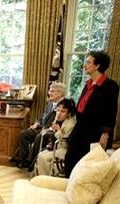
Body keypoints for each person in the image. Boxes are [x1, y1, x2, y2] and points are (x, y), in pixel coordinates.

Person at [64, 50, 119, 178]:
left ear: (97, 66)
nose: (85, 65)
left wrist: (105, 134)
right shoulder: (88, 84)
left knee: (87, 167)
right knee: (70, 159)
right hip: (80, 130)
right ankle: (68, 188)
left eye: (88, 62)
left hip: (95, 133)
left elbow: (111, 112)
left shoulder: (110, 86)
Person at [17, 82, 66, 169]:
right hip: (41, 127)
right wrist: (37, 123)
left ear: (59, 93)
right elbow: (42, 116)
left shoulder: (63, 106)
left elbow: (60, 123)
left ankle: (31, 162)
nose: (49, 93)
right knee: (23, 134)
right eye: (50, 91)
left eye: (52, 91)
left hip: (51, 132)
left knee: (39, 137)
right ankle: (22, 160)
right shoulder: (50, 103)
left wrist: (48, 129)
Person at [34, 98, 76, 176]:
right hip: (56, 147)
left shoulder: (71, 123)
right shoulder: (58, 119)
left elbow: (65, 143)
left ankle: (46, 179)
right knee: (40, 155)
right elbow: (53, 131)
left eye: (63, 111)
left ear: (69, 113)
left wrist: (58, 131)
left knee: (44, 157)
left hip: (65, 149)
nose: (59, 113)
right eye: (58, 110)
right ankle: (41, 177)